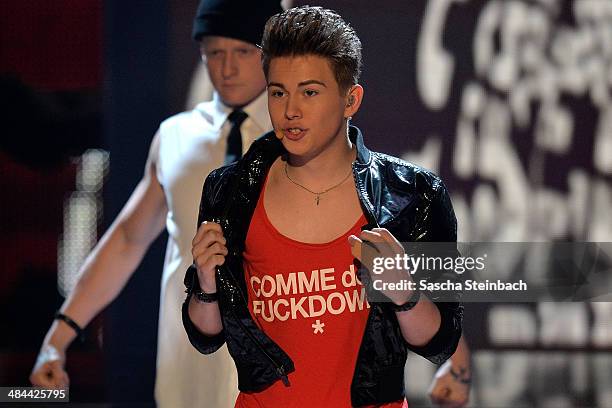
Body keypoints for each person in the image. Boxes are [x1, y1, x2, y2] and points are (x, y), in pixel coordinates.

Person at [184, 6, 463, 407]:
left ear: (351, 99)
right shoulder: (231, 191)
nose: (290, 110)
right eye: (278, 92)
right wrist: (207, 286)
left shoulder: (412, 193)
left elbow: (438, 341)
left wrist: (404, 294)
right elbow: (207, 336)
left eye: (310, 92)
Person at [29, 1, 282, 407]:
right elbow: (127, 239)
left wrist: (418, 324)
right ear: (201, 54)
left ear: (271, 53)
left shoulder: (301, 133)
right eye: (215, 52)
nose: (228, 67)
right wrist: (58, 337)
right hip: (188, 361)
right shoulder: (176, 136)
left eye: (243, 51)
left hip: (281, 357)